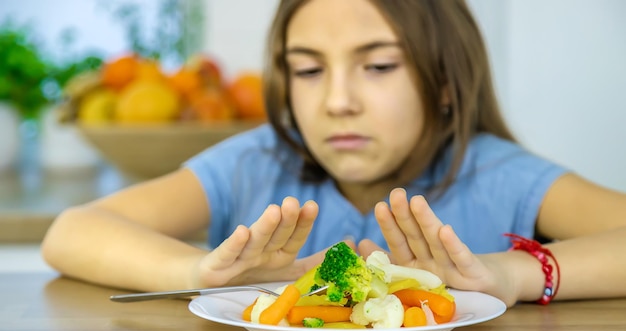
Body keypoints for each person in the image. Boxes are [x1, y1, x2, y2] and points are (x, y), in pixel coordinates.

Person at [42, 0, 626, 307]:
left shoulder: (499, 172)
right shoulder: (255, 162)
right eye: (309, 69)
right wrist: (201, 274)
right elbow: (71, 232)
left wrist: (509, 275)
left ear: (445, 82)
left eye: (377, 66)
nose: (337, 101)